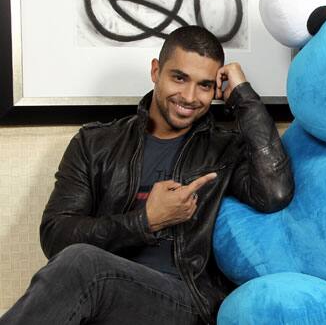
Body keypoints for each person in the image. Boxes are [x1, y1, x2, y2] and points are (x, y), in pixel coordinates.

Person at [0, 26, 294, 325]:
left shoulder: (223, 149)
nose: (190, 97)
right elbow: (56, 237)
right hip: (102, 290)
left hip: (182, 298)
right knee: (81, 266)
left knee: (82, 265)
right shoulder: (95, 144)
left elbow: (275, 193)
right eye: (179, 78)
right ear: (156, 71)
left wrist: (244, 98)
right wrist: (145, 221)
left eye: (204, 85)